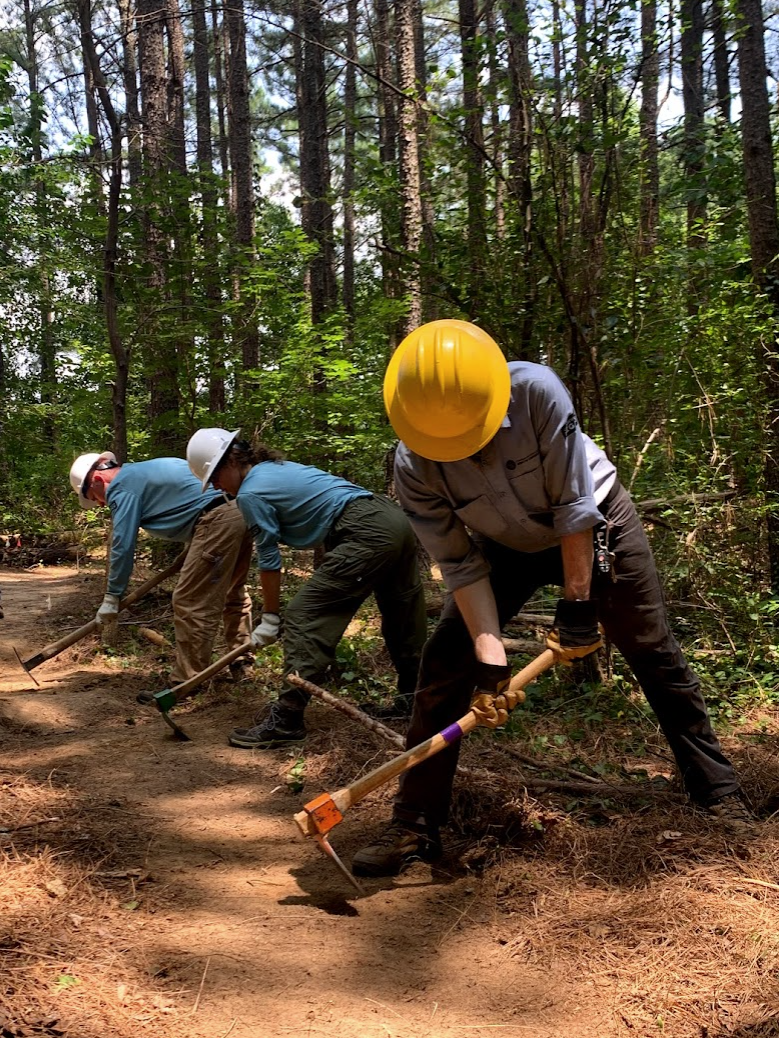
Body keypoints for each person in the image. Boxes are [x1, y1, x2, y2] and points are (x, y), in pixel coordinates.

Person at [351, 319, 753, 878]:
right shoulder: (411, 464)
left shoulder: (537, 391)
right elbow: (460, 564)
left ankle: (718, 793)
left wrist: (578, 603)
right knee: (446, 663)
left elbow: (573, 508)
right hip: (502, 545)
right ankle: (414, 824)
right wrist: (491, 657)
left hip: (596, 520)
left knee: (650, 650)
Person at [186, 428, 427, 749]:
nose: (216, 487)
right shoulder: (274, 470)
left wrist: (270, 616)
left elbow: (269, 559)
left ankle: (287, 718)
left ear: (230, 462)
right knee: (402, 616)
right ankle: (419, 701)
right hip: (391, 518)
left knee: (304, 614)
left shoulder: (250, 493)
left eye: (214, 478)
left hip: (363, 530)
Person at [69, 451, 254, 687]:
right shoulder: (148, 468)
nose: (100, 503)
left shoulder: (121, 486)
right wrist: (193, 545)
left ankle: (188, 681)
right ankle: (242, 663)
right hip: (239, 510)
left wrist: (112, 596)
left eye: (93, 497)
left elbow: (123, 544)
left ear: (97, 480)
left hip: (215, 520)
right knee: (233, 593)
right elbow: (193, 499)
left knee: (190, 602)